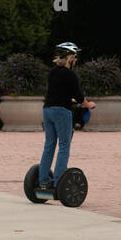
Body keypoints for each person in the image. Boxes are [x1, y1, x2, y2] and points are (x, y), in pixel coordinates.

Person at [38, 42, 95, 193]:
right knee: (64, 146)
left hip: (48, 110)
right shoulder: (70, 74)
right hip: (61, 112)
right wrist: (88, 104)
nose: (76, 60)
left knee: (49, 146)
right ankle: (58, 182)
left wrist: (71, 100)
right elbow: (78, 95)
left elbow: (58, 92)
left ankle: (43, 181)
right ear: (70, 58)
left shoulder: (52, 72)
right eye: (75, 57)